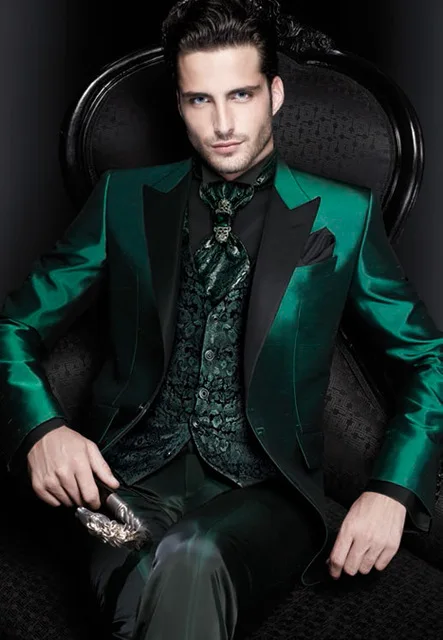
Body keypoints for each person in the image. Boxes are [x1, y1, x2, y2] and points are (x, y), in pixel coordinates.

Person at [0, 0, 442, 638]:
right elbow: (13, 325)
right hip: (122, 482)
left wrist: (391, 491)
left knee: (192, 558)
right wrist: (43, 429)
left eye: (241, 94)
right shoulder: (122, 200)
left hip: (270, 493)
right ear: (179, 106)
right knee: (143, 585)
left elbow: (428, 356)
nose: (224, 123)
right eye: (200, 101)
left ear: (274, 94)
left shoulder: (345, 215)